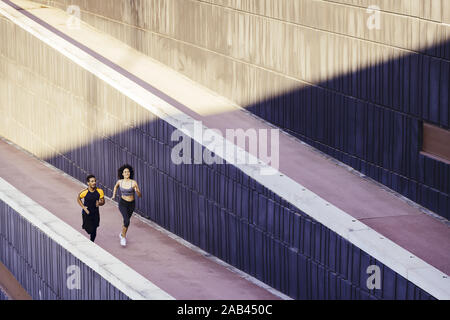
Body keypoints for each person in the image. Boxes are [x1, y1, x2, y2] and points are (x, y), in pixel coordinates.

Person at [112, 164, 141, 247]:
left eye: (128, 172)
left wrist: (137, 190)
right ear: (122, 173)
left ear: (130, 173)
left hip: (131, 204)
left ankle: (122, 233)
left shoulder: (133, 182)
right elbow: (115, 187)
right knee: (127, 220)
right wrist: (114, 195)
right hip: (123, 203)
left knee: (126, 221)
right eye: (125, 172)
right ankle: (123, 237)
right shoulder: (119, 182)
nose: (127, 173)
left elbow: (139, 195)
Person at [77, 175, 105, 242]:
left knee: (94, 231)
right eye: (92, 181)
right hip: (87, 213)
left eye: (95, 181)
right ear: (88, 183)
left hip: (95, 214)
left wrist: (100, 203)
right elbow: (78, 199)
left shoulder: (100, 191)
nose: (94, 183)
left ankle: (92, 242)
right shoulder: (84, 192)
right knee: (88, 229)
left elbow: (103, 201)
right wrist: (84, 208)